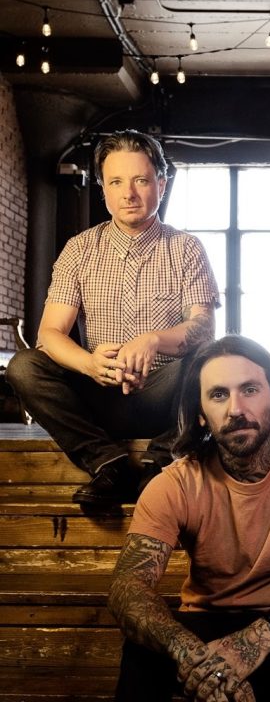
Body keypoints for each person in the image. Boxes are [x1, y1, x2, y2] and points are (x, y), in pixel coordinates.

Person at [108, 335, 270, 702]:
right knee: (143, 643)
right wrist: (195, 657)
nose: (235, 408)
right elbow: (127, 588)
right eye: (218, 395)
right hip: (203, 628)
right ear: (200, 413)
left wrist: (253, 642)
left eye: (249, 389)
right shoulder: (174, 484)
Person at [6, 129, 219, 508]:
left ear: (161, 184)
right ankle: (108, 463)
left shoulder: (186, 248)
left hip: (166, 399)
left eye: (141, 180)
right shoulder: (79, 249)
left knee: (212, 358)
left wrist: (154, 339)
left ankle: (160, 463)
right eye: (116, 182)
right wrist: (89, 364)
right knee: (23, 366)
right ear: (103, 189)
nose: (128, 194)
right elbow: (50, 334)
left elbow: (203, 328)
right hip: (99, 395)